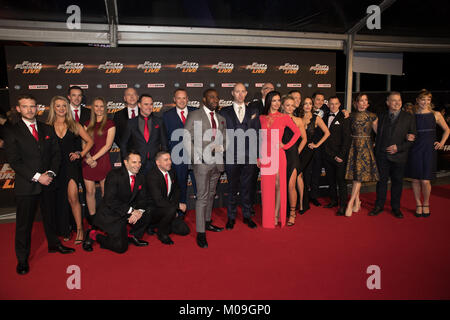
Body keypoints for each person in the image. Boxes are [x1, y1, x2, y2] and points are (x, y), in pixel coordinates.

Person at [4, 94, 74, 275]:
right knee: (24, 224)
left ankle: (54, 244)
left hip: (48, 182)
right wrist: (37, 176)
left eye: (32, 106)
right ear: (18, 109)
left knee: (50, 217)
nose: (30, 110)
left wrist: (50, 173)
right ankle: (22, 259)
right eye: (25, 107)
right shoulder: (12, 131)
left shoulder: (46, 128)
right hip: (27, 185)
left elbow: (56, 154)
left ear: (37, 108)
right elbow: (14, 161)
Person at [83, 151, 151, 253]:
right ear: (126, 162)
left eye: (139, 162)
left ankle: (130, 235)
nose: (138, 165)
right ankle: (93, 234)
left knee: (148, 211)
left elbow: (143, 199)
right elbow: (110, 201)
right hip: (111, 214)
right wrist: (131, 211)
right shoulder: (114, 175)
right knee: (120, 247)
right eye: (134, 162)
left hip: (126, 212)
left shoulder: (141, 177)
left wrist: (139, 212)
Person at [47, 96, 94, 244]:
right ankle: (65, 229)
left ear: (67, 108)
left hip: (71, 166)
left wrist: (80, 153)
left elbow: (90, 141)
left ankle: (80, 229)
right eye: (58, 106)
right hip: (55, 167)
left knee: (73, 197)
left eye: (63, 106)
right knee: (61, 200)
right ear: (53, 108)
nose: (61, 109)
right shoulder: (47, 126)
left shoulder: (75, 125)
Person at [184, 89, 226, 248]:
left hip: (217, 162)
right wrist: (197, 158)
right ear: (204, 99)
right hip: (202, 163)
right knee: (202, 197)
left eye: (217, 97)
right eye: (211, 97)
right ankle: (201, 233)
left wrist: (222, 147)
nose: (215, 99)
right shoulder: (195, 115)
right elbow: (187, 138)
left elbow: (226, 137)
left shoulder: (221, 118)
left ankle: (207, 222)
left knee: (211, 194)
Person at [219, 83, 259, 230]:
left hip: (249, 157)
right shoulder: (224, 112)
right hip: (231, 156)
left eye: (243, 91)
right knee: (232, 188)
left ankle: (247, 216)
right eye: (237, 92)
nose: (240, 94)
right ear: (232, 93)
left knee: (247, 188)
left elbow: (258, 134)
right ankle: (231, 217)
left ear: (246, 93)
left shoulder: (254, 111)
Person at [258, 91, 301, 228]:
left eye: (278, 101)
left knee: (278, 185)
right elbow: (260, 139)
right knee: (267, 187)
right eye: (274, 100)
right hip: (265, 155)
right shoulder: (262, 118)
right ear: (269, 101)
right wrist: (259, 156)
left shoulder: (284, 117)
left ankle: (276, 215)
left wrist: (285, 145)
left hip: (279, 154)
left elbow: (298, 133)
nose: (276, 103)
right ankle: (268, 216)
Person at [405, 89, 449, 217]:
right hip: (414, 149)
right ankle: (418, 204)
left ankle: (426, 203)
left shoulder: (436, 115)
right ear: (418, 101)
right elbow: (405, 131)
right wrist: (407, 136)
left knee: (425, 181)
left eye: (428, 100)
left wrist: (441, 142)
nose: (425, 102)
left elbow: (447, 130)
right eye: (423, 99)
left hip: (429, 150)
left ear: (430, 101)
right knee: (415, 180)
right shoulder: (411, 115)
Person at [162, 88, 197, 217]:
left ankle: (202, 214)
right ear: (174, 99)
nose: (181, 101)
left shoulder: (196, 112)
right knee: (180, 186)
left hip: (195, 157)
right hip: (177, 157)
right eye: (179, 98)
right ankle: (180, 213)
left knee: (199, 186)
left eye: (184, 98)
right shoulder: (167, 115)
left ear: (187, 99)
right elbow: (164, 137)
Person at [82, 97, 116, 224]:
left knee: (104, 192)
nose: (99, 109)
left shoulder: (110, 124)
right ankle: (92, 219)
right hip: (87, 160)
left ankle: (105, 216)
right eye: (96, 106)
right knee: (90, 191)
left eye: (102, 106)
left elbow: (108, 146)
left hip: (102, 160)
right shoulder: (86, 124)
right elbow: (83, 143)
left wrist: (93, 159)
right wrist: (88, 158)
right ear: (92, 108)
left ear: (105, 108)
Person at [345, 93, 379, 217]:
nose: (364, 103)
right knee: (356, 175)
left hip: (365, 147)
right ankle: (357, 202)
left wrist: (376, 143)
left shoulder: (372, 116)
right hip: (353, 146)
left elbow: (379, 133)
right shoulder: (350, 116)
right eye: (361, 100)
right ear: (356, 102)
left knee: (358, 176)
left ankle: (351, 202)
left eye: (366, 100)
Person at [146, 151, 190, 245]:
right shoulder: (152, 175)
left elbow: (177, 190)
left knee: (184, 230)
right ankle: (162, 233)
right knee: (170, 210)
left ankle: (163, 224)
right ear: (158, 162)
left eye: (170, 159)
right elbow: (158, 201)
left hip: (167, 206)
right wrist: (176, 206)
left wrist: (174, 207)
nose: (169, 162)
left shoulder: (171, 171)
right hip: (152, 209)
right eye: (166, 160)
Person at [120, 94, 168, 175]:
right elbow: (123, 144)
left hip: (155, 164)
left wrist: (163, 161)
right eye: (146, 104)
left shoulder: (159, 122)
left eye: (151, 104)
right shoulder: (131, 123)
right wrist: (127, 161)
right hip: (137, 165)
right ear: (139, 105)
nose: (149, 107)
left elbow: (164, 144)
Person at [298, 97, 330, 214]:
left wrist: (316, 145)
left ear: (312, 106)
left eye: (310, 104)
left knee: (305, 177)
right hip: (299, 151)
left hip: (310, 152)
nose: (307, 106)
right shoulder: (299, 118)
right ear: (302, 106)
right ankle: (300, 202)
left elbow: (327, 133)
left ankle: (304, 205)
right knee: (299, 177)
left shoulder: (316, 118)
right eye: (305, 104)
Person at [322, 96, 351, 216]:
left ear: (340, 105)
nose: (333, 106)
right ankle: (333, 201)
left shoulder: (344, 117)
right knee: (331, 180)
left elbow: (347, 139)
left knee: (341, 181)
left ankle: (343, 206)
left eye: (336, 104)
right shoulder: (323, 116)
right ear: (328, 105)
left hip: (339, 156)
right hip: (327, 154)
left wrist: (341, 155)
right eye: (331, 104)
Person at [280, 95, 307, 226]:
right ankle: (281, 210)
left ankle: (292, 213)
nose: (290, 108)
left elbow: (304, 139)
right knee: (281, 185)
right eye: (287, 105)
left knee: (291, 185)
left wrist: (296, 152)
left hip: (293, 156)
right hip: (280, 155)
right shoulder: (278, 119)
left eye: (292, 105)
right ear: (282, 106)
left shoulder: (298, 120)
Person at [309, 91, 329, 206]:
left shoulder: (326, 110)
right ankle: (304, 195)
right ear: (312, 100)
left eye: (322, 100)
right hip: (308, 145)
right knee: (306, 172)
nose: (320, 102)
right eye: (318, 99)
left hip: (320, 147)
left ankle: (314, 196)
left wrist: (344, 112)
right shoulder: (305, 110)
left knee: (316, 172)